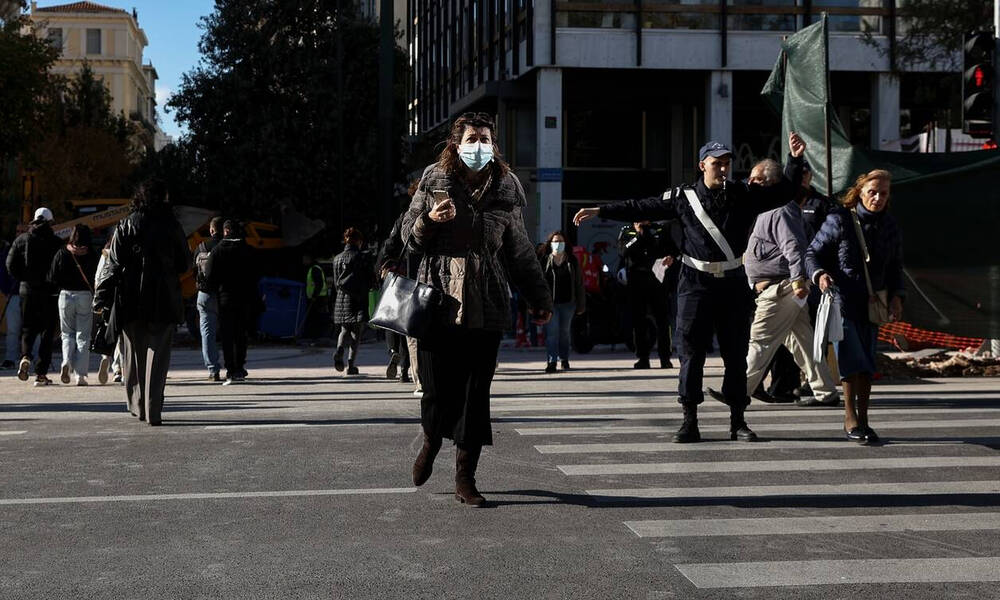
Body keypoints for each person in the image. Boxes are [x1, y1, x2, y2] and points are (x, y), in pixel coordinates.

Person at [574, 132, 808, 443]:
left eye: (727, 163)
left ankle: (738, 419)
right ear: (702, 165)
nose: (723, 169)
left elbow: (784, 193)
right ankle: (689, 419)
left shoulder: (743, 193)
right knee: (691, 353)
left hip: (733, 282)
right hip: (695, 283)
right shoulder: (684, 198)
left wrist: (794, 160)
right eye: (716, 164)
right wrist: (602, 211)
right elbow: (643, 207)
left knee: (735, 353)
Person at [403, 112, 552, 507]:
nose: (479, 145)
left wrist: (540, 298)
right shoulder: (434, 179)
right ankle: (432, 439)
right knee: (435, 388)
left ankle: (465, 477)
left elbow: (519, 250)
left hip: (486, 301)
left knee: (474, 394)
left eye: (485, 138)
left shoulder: (506, 187)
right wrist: (428, 221)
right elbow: (406, 235)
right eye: (472, 138)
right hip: (438, 297)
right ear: (456, 144)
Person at [716, 159, 839, 408]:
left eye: (755, 179)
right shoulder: (764, 209)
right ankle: (826, 392)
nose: (749, 183)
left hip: (781, 288)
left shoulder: (780, 209)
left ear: (769, 182)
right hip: (782, 288)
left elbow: (794, 247)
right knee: (803, 343)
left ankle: (737, 391)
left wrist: (797, 282)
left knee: (759, 339)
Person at [807, 169, 905, 445]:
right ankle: (850, 417)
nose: (877, 198)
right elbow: (813, 252)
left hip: (873, 305)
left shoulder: (890, 225)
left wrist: (898, 295)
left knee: (868, 363)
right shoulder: (840, 220)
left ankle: (864, 419)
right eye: (872, 192)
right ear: (860, 192)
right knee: (852, 360)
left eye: (883, 193)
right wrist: (820, 275)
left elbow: (896, 265)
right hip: (843, 302)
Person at [95, 179, 191, 425]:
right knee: (158, 360)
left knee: (132, 358)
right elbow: (184, 263)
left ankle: (137, 405)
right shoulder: (173, 225)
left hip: (131, 300)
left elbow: (113, 264)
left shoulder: (126, 224)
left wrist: (101, 297)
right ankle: (154, 409)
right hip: (165, 299)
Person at [6, 207, 63, 386]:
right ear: (50, 222)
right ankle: (41, 373)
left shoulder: (21, 240)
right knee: (47, 332)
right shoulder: (56, 242)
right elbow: (60, 268)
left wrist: (24, 279)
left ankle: (25, 357)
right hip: (49, 293)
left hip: (27, 291)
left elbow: (10, 265)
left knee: (28, 328)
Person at [205, 220, 260, 384]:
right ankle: (240, 367)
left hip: (225, 298)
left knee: (227, 335)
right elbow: (256, 273)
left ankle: (230, 368)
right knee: (241, 333)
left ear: (226, 231)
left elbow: (209, 276)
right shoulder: (249, 250)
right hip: (244, 297)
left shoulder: (218, 251)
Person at [618, 220, 677, 369]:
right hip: (636, 280)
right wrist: (639, 235)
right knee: (639, 321)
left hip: (657, 279)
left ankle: (665, 357)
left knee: (663, 321)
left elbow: (672, 250)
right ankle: (642, 357)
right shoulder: (627, 230)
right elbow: (623, 251)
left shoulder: (660, 230)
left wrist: (671, 257)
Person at [48, 224, 100, 386]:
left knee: (67, 334)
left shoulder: (63, 252)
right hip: (85, 295)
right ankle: (80, 375)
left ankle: (66, 361)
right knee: (83, 337)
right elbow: (98, 276)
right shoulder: (92, 253)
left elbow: (52, 276)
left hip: (65, 296)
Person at [377, 211, 418, 383]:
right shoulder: (434, 213)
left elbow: (389, 244)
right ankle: (405, 371)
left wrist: (383, 264)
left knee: (393, 319)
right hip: (419, 277)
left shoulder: (404, 217)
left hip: (400, 276)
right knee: (410, 326)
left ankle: (393, 350)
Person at [540, 231, 586, 373]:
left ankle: (564, 358)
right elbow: (539, 284)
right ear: (550, 243)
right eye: (555, 241)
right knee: (552, 333)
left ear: (565, 244)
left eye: (560, 241)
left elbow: (579, 284)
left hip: (568, 303)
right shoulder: (545, 261)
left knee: (564, 333)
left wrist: (581, 305)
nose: (558, 244)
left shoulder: (571, 261)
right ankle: (552, 361)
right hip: (550, 304)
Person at [332, 227, 372, 375]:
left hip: (341, 298)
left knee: (344, 330)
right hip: (358, 299)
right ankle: (351, 366)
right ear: (358, 241)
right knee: (356, 333)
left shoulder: (337, 258)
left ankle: (339, 350)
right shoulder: (361, 257)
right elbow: (368, 278)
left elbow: (336, 282)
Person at [193, 216, 224, 381]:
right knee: (229, 331)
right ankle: (233, 367)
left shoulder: (201, 247)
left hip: (204, 294)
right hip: (225, 293)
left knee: (207, 333)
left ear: (211, 230)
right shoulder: (226, 246)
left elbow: (193, 270)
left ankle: (213, 370)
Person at [1, 238, 20, 370]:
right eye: (18, 231)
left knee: (33, 330)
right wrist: (6, 290)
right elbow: (2, 271)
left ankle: (35, 357)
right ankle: (10, 359)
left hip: (30, 294)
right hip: (13, 294)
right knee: (12, 330)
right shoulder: (9, 250)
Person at [302, 252, 330, 341]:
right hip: (317, 297)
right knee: (316, 317)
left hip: (318, 298)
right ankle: (315, 335)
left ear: (309, 259)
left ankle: (317, 336)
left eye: (305, 259)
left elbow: (319, 284)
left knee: (316, 317)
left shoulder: (315, 269)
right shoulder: (313, 268)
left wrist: (314, 295)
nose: (303, 261)